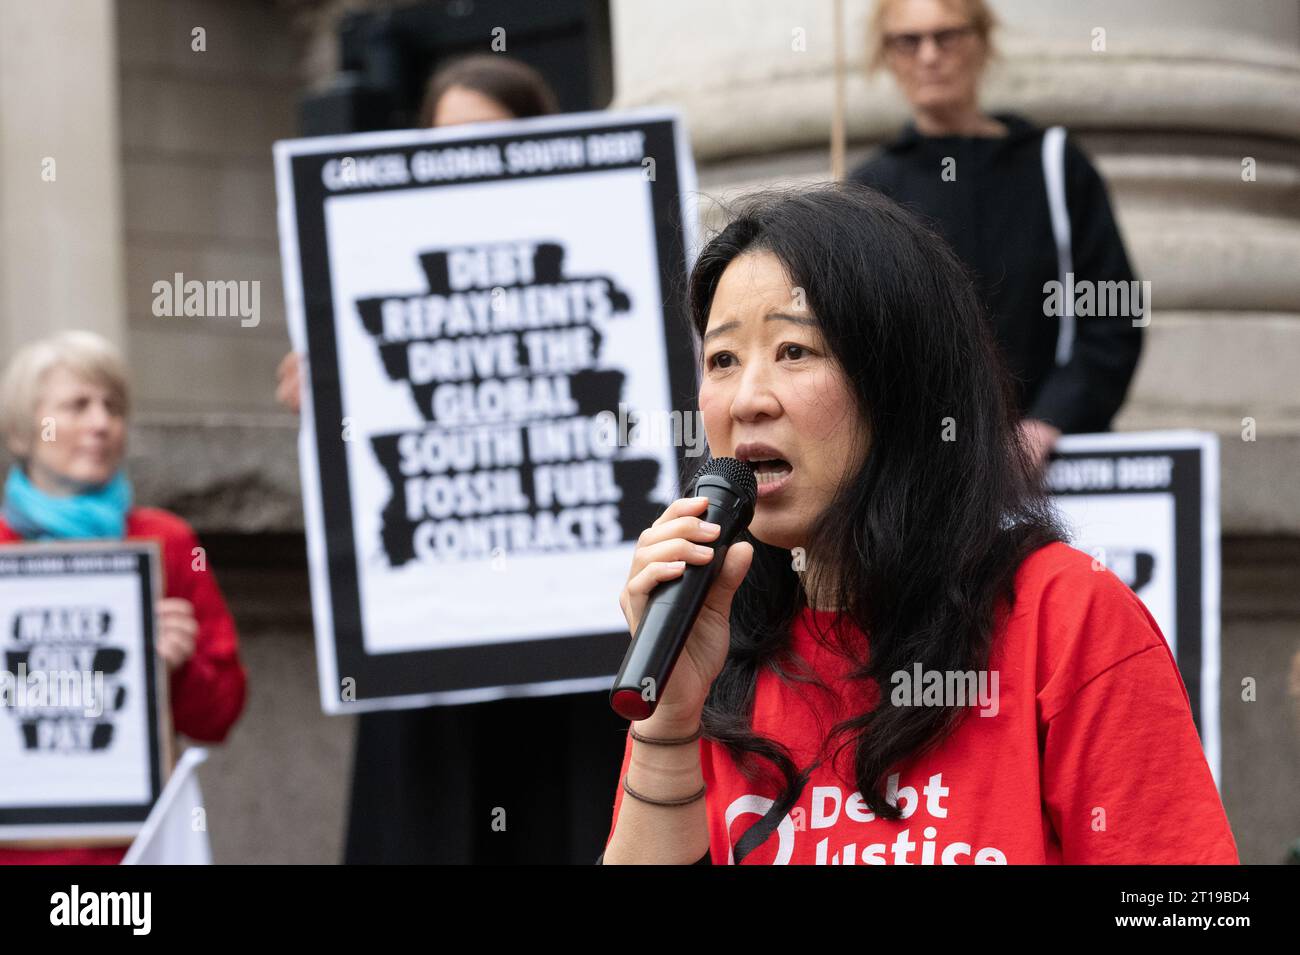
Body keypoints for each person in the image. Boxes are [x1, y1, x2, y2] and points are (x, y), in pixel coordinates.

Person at [599, 184, 1237, 864]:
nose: (748, 399)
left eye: (794, 351)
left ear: (901, 385)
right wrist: (666, 726)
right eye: (722, 359)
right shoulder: (709, 643)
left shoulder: (1064, 616)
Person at [279, 54, 628, 863]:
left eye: (488, 141)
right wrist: (333, 401)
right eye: (445, 142)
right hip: (431, 652)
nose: (463, 162)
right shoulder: (378, 261)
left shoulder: (603, 251)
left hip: (570, 652)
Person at [848, 0, 1144, 470]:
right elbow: (863, 348)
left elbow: (1112, 312)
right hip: (929, 480)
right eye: (908, 41)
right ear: (887, 56)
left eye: (947, 36)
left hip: (1058, 471)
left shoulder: (1054, 165)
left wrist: (1049, 421)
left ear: (982, 42)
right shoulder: (867, 192)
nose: (928, 56)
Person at [0, 330, 247, 865]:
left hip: (133, 853)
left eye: (113, 407)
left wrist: (177, 668)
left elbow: (220, 713)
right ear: (23, 430)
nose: (99, 424)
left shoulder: (167, 543)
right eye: (77, 405)